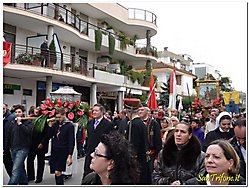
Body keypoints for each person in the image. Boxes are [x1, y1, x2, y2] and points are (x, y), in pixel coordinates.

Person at [82, 103, 113, 178]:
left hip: (101, 153)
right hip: (90, 152)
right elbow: (88, 136)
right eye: (93, 111)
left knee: (99, 175)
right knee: (87, 172)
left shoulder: (108, 124)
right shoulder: (90, 123)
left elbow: (110, 139)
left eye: (96, 111)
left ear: (102, 112)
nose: (94, 112)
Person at [5, 105, 34, 185]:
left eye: (19, 112)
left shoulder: (28, 122)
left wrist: (20, 124)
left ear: (23, 113)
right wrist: (6, 148)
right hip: (13, 148)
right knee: (20, 168)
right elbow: (9, 135)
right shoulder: (12, 122)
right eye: (16, 112)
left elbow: (28, 132)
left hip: (23, 148)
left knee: (15, 169)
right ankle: (24, 183)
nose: (17, 114)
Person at [47, 108, 75, 185]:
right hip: (55, 150)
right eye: (57, 117)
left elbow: (71, 141)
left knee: (58, 172)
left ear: (64, 115)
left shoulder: (69, 125)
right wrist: (50, 126)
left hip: (63, 151)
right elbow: (49, 136)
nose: (58, 119)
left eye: (60, 117)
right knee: (56, 172)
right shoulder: (56, 124)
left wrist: (70, 155)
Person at [137, 105, 162, 184]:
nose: (140, 112)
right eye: (139, 110)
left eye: (142, 110)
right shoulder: (135, 123)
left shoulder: (154, 124)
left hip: (150, 154)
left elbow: (158, 141)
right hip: (139, 155)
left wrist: (157, 158)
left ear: (147, 112)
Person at [27, 118, 50, 183]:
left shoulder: (44, 120)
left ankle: (39, 177)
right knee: (30, 160)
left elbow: (47, 134)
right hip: (32, 144)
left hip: (41, 144)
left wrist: (42, 143)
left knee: (40, 161)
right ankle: (30, 176)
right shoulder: (31, 119)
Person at [3, 103, 15, 177]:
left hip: (7, 146)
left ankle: (14, 180)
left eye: (3, 108)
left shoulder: (11, 118)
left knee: (8, 164)